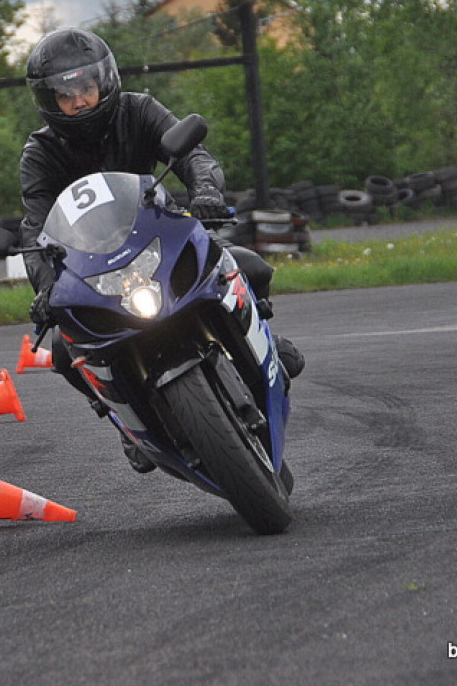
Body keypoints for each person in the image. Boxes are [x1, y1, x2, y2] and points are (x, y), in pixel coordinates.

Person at [18, 27, 304, 474]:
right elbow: (35, 227)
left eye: (86, 88)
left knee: (249, 266)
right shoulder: (41, 152)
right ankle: (125, 421)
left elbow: (194, 154)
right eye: (65, 95)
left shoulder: (139, 109)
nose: (79, 101)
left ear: (104, 81)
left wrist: (205, 189)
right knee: (62, 350)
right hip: (92, 268)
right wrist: (45, 285)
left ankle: (263, 341)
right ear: (48, 100)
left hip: (160, 236)